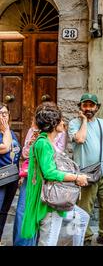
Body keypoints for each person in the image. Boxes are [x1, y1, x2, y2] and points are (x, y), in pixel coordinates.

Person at [21, 103, 90, 246]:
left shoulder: (46, 142)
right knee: (48, 242)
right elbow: (49, 173)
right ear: (53, 123)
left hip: (52, 198)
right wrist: (76, 177)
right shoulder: (44, 144)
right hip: (50, 202)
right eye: (61, 120)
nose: (63, 123)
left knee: (82, 218)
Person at [68, 93, 103, 246]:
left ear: (97, 107)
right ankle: (85, 237)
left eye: (91, 105)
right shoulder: (74, 123)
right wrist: (84, 120)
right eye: (85, 105)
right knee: (85, 207)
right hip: (85, 174)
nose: (88, 108)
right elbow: (80, 139)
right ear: (80, 107)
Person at [13, 103, 66, 246]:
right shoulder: (33, 132)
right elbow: (25, 153)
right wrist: (32, 143)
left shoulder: (58, 133)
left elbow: (59, 154)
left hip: (49, 183)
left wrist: (46, 141)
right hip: (33, 178)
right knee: (24, 212)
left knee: (43, 216)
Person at [0, 103, 21, 246]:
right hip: (0, 179)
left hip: (11, 178)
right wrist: (6, 128)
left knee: (4, 212)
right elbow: (5, 148)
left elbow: (15, 152)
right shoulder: (7, 131)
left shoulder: (11, 133)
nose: (3, 116)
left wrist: (18, 173)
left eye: (5, 113)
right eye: (0, 113)